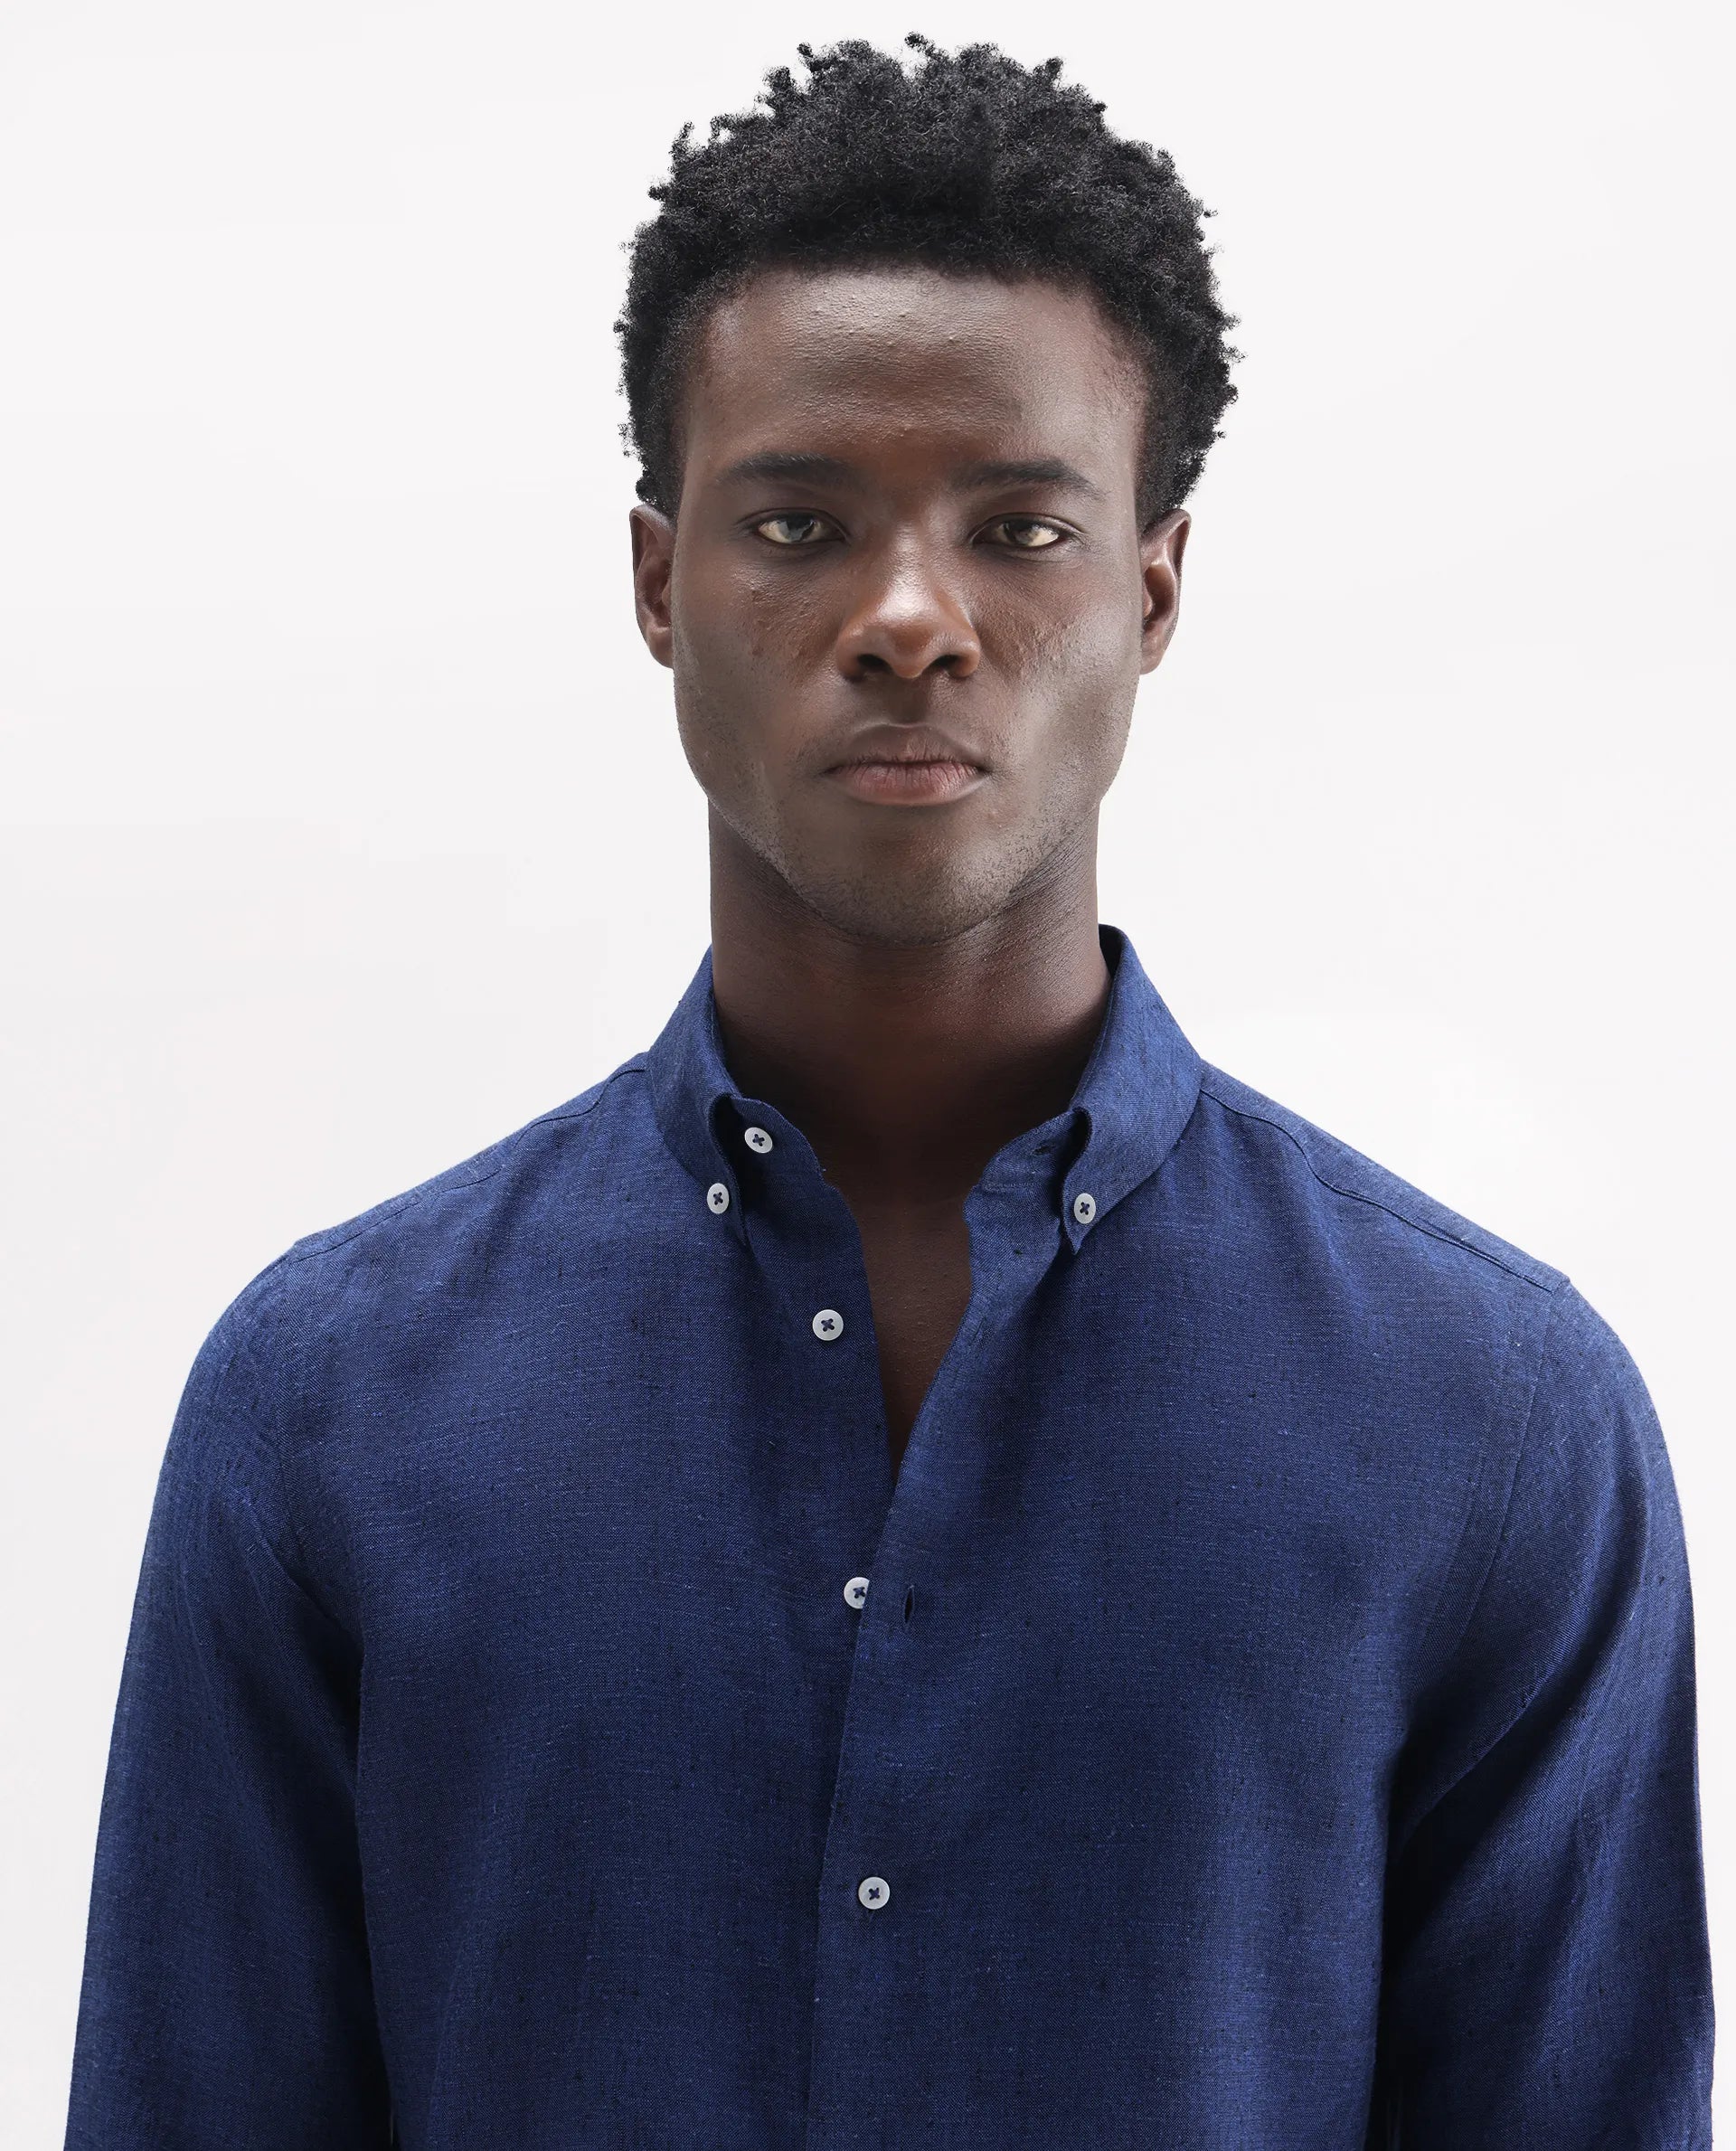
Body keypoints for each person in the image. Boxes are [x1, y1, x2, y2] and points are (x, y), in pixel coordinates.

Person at [63, 34, 1712, 2150]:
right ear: (658, 582)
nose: (912, 617)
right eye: (799, 523)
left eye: (1018, 527)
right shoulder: (325, 1402)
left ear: (1151, 590)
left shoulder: (1495, 1418)